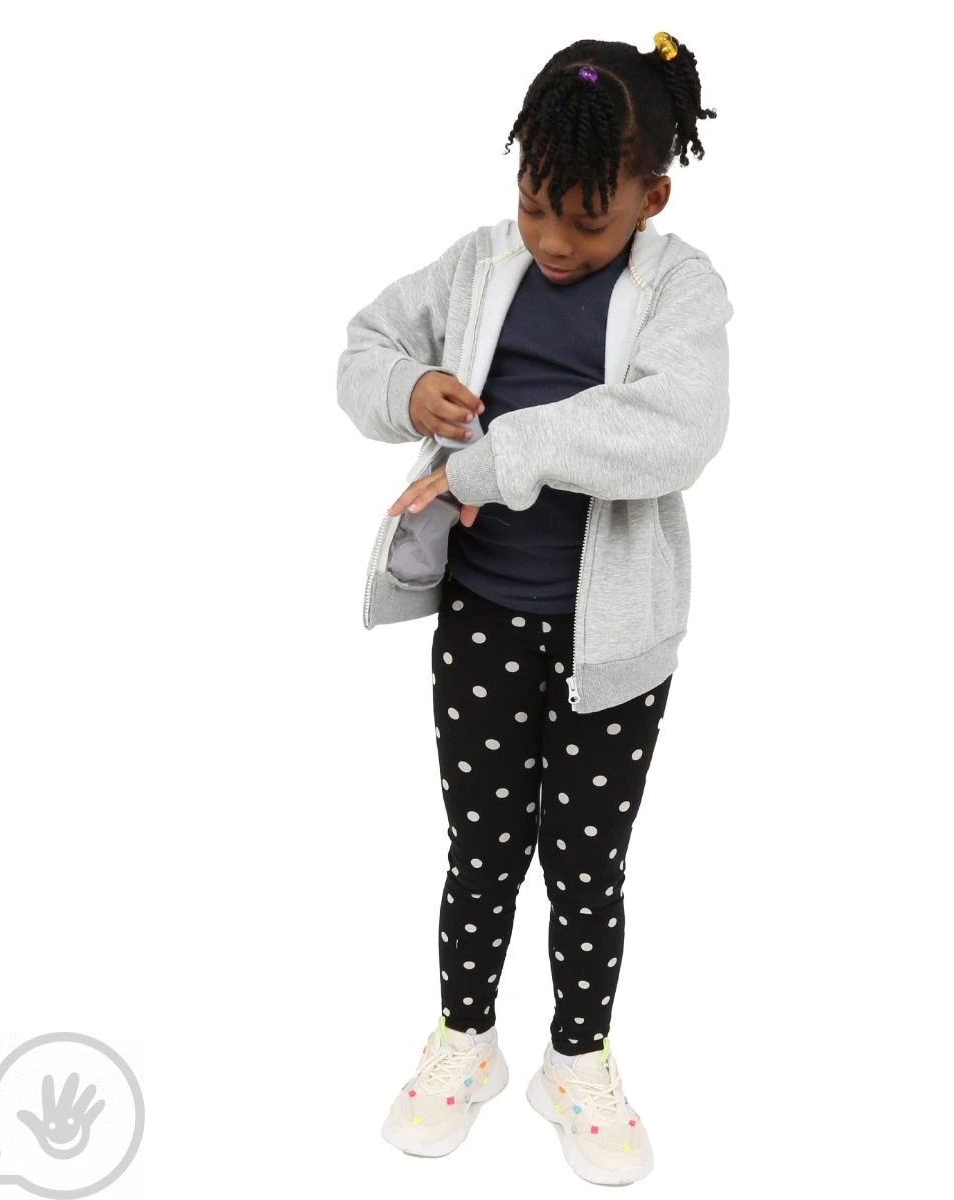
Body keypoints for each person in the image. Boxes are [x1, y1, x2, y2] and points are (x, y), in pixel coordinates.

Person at [336, 31, 732, 1187]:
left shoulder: (682, 292)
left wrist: (496, 455)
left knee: (587, 864)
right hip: (483, 619)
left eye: (587, 220)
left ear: (651, 198)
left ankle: (578, 1062)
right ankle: (465, 1040)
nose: (553, 240)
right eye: (533, 205)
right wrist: (409, 385)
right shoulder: (477, 267)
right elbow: (362, 348)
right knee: (482, 848)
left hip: (619, 643)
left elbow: (676, 430)